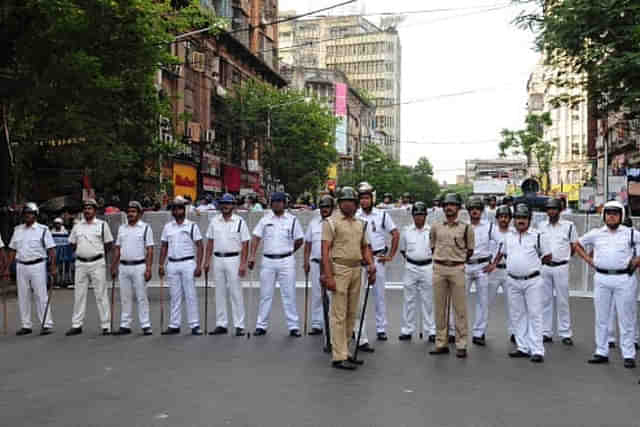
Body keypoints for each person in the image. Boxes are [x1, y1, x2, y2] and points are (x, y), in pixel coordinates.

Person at [575, 200, 640, 368]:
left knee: (626, 317)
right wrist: (590, 260)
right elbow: (577, 244)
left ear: (621, 216)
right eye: (608, 213)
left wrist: (636, 261)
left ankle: (628, 354)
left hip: (624, 279)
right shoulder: (596, 233)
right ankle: (601, 351)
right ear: (604, 215)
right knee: (601, 317)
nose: (611, 216)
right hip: (602, 278)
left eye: (615, 213)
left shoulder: (631, 233)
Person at [321, 187, 376, 370]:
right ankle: (338, 356)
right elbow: (325, 250)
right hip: (339, 268)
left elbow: (365, 247)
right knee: (338, 313)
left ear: (356, 204)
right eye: (344, 201)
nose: (348, 204)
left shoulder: (360, 224)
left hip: (356, 269)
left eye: (351, 201)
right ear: (339, 203)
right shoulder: (331, 222)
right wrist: (328, 276)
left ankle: (345, 350)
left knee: (353, 313)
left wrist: (371, 265)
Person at [499, 203, 551, 363]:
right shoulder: (509, 236)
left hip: (532, 281)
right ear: (514, 220)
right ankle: (522, 347)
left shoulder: (538, 236)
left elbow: (547, 256)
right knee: (517, 315)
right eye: (518, 218)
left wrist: (531, 267)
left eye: (524, 218)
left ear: (529, 219)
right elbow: (506, 255)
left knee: (535, 314)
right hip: (513, 280)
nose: (521, 221)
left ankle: (537, 350)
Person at [249, 191, 304, 337]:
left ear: (284, 204)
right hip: (268, 260)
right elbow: (255, 238)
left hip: (286, 260)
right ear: (271, 204)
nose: (277, 204)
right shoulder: (265, 220)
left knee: (289, 294)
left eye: (279, 202)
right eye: (274, 202)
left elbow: (299, 240)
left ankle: (293, 326)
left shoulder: (292, 220)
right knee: (265, 295)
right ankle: (261, 325)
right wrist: (252, 256)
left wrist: (291, 250)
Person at [429, 193, 474, 358]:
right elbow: (432, 246)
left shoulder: (466, 228)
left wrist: (457, 261)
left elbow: (470, 251)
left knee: (460, 309)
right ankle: (441, 343)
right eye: (446, 205)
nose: (449, 208)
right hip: (439, 268)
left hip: (457, 269)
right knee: (440, 309)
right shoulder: (435, 227)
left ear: (458, 208)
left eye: (452, 205)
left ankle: (461, 344)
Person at [355, 181, 399, 347]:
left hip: (378, 258)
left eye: (367, 198)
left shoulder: (382, 215)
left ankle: (381, 329)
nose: (364, 201)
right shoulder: (356, 215)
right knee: (358, 298)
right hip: (360, 261)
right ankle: (358, 330)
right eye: (362, 198)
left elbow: (395, 234)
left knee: (379, 296)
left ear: (372, 199)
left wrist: (390, 255)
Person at [5, 203, 56, 335]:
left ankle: (46, 323)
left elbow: (51, 249)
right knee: (23, 296)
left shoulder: (43, 229)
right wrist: (6, 268)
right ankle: (26, 325)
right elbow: (12, 249)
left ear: (35, 215)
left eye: (30, 214)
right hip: (21, 265)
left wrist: (53, 266)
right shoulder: (17, 230)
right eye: (26, 214)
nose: (28, 216)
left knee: (41, 295)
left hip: (37, 265)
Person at [203, 193, 250, 336]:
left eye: (228, 203)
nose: (225, 206)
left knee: (235, 292)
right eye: (223, 203)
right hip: (218, 259)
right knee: (219, 292)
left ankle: (239, 325)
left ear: (233, 206)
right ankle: (221, 324)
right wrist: (206, 261)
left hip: (234, 259)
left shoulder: (240, 221)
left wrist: (243, 264)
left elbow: (245, 243)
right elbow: (210, 242)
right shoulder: (214, 221)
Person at [66, 199, 114, 336]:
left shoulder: (102, 225)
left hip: (97, 263)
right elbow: (72, 243)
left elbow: (108, 244)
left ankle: (106, 325)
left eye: (90, 208)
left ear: (95, 210)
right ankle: (77, 325)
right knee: (79, 295)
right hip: (81, 263)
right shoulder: (77, 226)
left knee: (101, 295)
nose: (87, 210)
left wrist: (97, 253)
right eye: (85, 208)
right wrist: (82, 251)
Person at [158, 196, 204, 336]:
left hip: (188, 263)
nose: (177, 210)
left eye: (180, 208)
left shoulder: (192, 226)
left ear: (184, 210)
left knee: (190, 295)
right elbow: (164, 246)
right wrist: (160, 264)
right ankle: (174, 324)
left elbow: (200, 246)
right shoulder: (168, 227)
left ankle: (195, 324)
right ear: (172, 211)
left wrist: (199, 266)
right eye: (175, 208)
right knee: (174, 295)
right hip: (172, 263)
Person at [110, 201, 154, 336]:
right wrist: (113, 266)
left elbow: (150, 250)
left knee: (141, 297)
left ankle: (145, 324)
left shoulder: (146, 228)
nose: (130, 214)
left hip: (139, 266)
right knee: (125, 297)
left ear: (139, 214)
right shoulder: (122, 228)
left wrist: (148, 268)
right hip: (123, 266)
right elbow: (118, 249)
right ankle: (125, 324)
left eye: (133, 211)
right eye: (129, 211)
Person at [538, 198, 578, 345]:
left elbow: (574, 246)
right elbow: (539, 245)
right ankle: (546, 332)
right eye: (549, 209)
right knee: (545, 300)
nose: (551, 211)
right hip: (545, 267)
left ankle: (565, 333)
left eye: (554, 209)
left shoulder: (569, 226)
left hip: (561, 266)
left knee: (563, 300)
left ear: (560, 210)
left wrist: (564, 258)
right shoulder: (541, 226)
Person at [399, 202, 435, 342]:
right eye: (416, 215)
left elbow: (435, 249)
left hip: (427, 267)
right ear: (412, 216)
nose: (419, 218)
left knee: (428, 300)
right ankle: (407, 330)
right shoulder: (406, 231)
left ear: (426, 216)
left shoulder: (432, 230)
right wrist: (412, 260)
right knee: (409, 300)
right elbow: (403, 249)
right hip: (411, 267)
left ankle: (431, 330)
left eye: (421, 215)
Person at [464, 196, 496, 346]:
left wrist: (493, 263)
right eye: (472, 209)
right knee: (458, 300)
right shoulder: (462, 226)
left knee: (482, 301)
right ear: (468, 211)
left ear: (482, 211)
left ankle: (479, 333)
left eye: (477, 208)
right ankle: (453, 331)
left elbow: (501, 243)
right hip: (465, 266)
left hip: (483, 267)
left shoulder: (489, 226)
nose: (475, 211)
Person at [303, 195, 334, 335]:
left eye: (327, 207)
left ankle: (334, 324)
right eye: (322, 207)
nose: (324, 209)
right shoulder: (313, 223)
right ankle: (317, 324)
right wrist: (305, 261)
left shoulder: (336, 223)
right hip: (316, 263)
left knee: (333, 295)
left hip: (332, 264)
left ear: (332, 208)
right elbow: (308, 244)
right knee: (317, 295)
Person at [487, 205, 516, 343]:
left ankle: (514, 332)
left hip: (509, 270)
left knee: (513, 304)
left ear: (510, 219)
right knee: (486, 303)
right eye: (501, 217)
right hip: (493, 270)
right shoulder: (491, 232)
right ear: (497, 218)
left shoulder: (515, 233)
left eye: (506, 217)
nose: (503, 219)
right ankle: (480, 332)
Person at [51, 217, 70, 288]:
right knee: (56, 266)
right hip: (55, 250)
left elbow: (67, 242)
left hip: (64, 250)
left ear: (61, 224)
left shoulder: (65, 231)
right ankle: (56, 282)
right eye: (56, 224)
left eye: (59, 224)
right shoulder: (51, 232)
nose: (57, 225)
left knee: (64, 266)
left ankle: (65, 280)